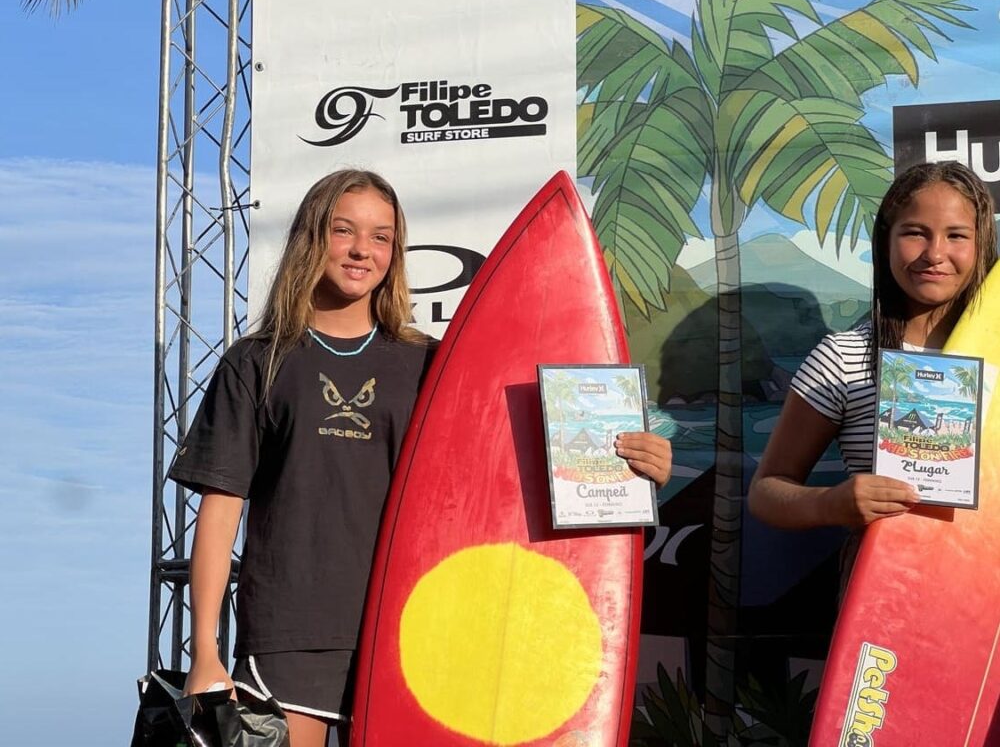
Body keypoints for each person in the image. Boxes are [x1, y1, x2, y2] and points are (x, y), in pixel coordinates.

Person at [168, 168, 674, 746]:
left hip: (417, 623)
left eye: (381, 237)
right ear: (312, 237)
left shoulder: (432, 365)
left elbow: (516, 473)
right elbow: (221, 507)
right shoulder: (257, 362)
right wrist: (204, 651)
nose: (362, 250)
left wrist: (631, 462)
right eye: (344, 231)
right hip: (294, 629)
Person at [748, 161, 996, 578]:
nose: (935, 253)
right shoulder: (844, 357)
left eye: (956, 235)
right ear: (886, 242)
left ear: (982, 244)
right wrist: (831, 503)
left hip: (985, 595)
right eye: (915, 232)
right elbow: (765, 492)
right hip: (885, 593)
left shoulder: (997, 355)